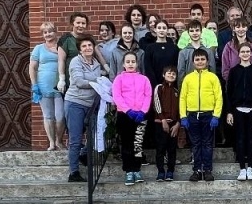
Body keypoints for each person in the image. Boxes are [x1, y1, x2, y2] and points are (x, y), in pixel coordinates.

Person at [64, 36, 106, 182]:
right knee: (75, 139)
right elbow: (79, 81)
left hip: (91, 105)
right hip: (75, 102)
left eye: (90, 45)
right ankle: (73, 172)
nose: (88, 48)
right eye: (84, 46)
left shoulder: (95, 63)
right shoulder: (76, 61)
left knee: (95, 133)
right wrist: (99, 81)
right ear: (80, 49)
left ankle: (83, 154)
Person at [224, 41, 252, 180]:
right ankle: (242, 168)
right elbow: (228, 92)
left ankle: (250, 168)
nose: (245, 54)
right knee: (240, 140)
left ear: (251, 53)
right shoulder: (234, 71)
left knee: (250, 140)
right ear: (239, 54)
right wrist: (229, 111)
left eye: (247, 51)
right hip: (237, 110)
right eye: (242, 52)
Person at [179, 48, 222, 181]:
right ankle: (197, 170)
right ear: (192, 62)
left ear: (208, 61)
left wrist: (216, 115)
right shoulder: (188, 78)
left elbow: (218, 97)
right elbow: (183, 98)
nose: (200, 61)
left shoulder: (212, 77)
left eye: (202, 59)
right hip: (192, 115)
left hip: (208, 115)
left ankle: (207, 170)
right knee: (196, 144)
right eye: (197, 59)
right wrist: (183, 116)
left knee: (208, 144)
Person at [111, 51, 152, 186]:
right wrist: (127, 110)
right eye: (128, 62)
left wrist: (143, 111)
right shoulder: (119, 79)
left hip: (140, 115)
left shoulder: (144, 79)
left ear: (137, 63)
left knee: (138, 144)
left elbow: (148, 96)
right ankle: (129, 170)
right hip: (125, 115)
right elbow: (117, 96)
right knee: (127, 143)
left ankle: (137, 169)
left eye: (133, 61)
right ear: (123, 64)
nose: (130, 64)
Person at [29, 20, 65, 151]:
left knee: (60, 116)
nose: (48, 34)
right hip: (43, 86)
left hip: (59, 86)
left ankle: (59, 140)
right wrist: (35, 85)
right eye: (45, 32)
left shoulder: (61, 46)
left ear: (55, 32)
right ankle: (51, 143)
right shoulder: (38, 48)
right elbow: (32, 67)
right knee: (48, 115)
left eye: (50, 31)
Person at [152, 64, 181, 181]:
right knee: (160, 148)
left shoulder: (176, 91)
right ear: (164, 75)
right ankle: (160, 171)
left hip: (173, 124)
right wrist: (163, 119)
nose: (171, 75)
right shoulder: (159, 88)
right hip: (160, 123)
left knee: (172, 149)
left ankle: (170, 171)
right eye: (169, 73)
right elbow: (156, 103)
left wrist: (178, 123)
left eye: (173, 73)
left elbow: (180, 108)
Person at [144, 21, 179, 85]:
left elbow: (176, 66)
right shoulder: (150, 48)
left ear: (167, 30)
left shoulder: (174, 48)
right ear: (155, 30)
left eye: (164, 28)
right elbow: (148, 68)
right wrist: (155, 84)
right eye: (159, 28)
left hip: (170, 83)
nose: (161, 30)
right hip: (154, 84)